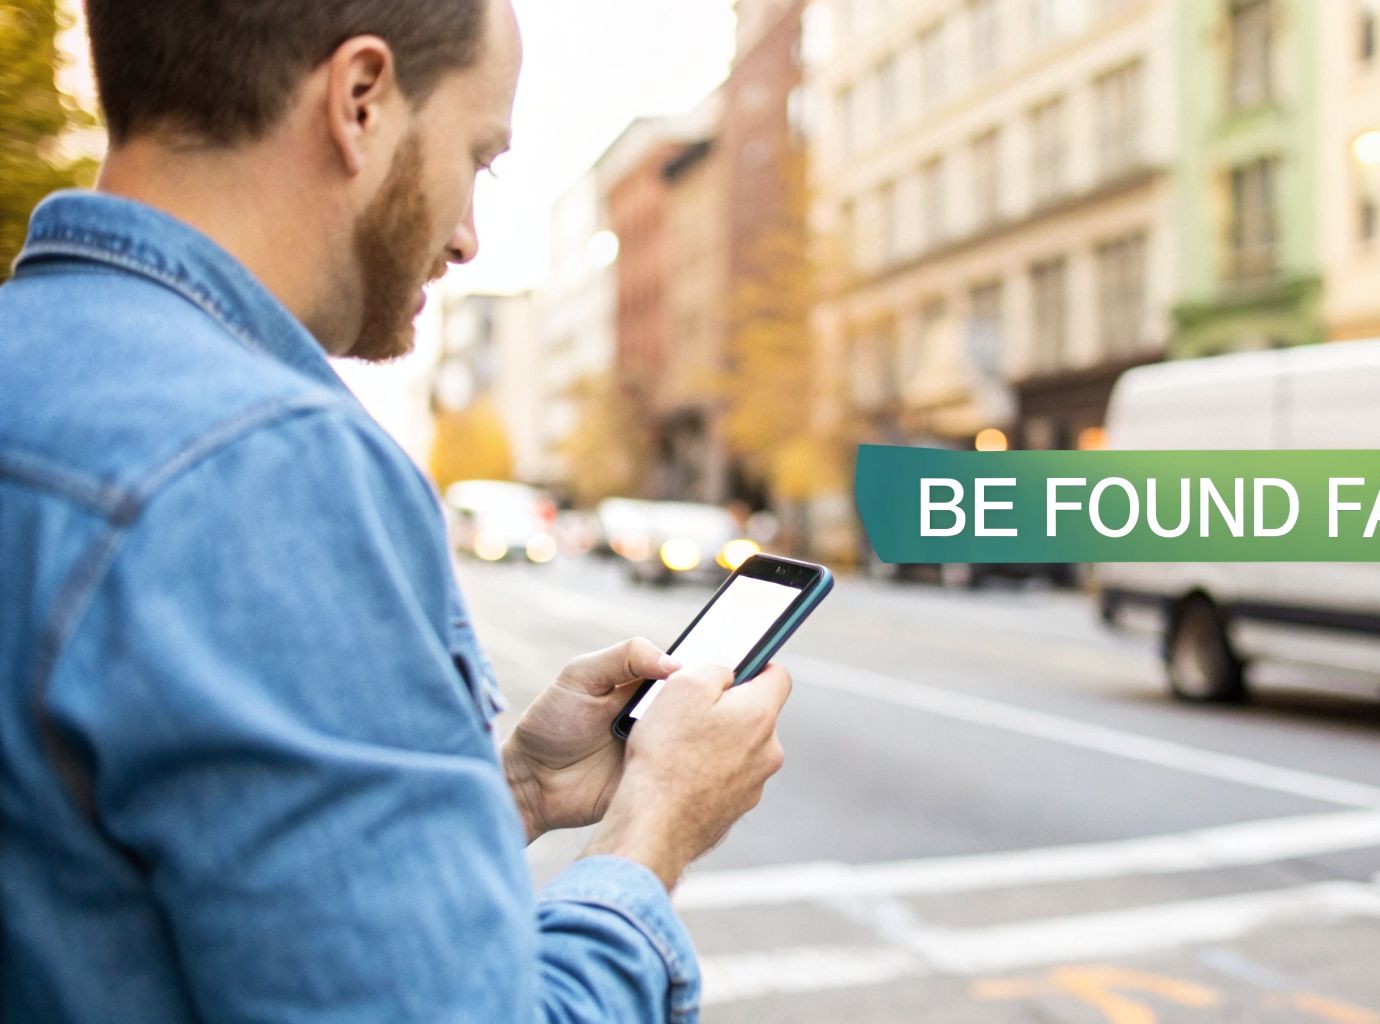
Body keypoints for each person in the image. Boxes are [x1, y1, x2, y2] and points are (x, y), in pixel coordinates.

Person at [0, 0, 791, 1019]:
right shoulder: (265, 467)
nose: (466, 237)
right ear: (360, 99)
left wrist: (511, 792)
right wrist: (657, 820)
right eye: (478, 156)